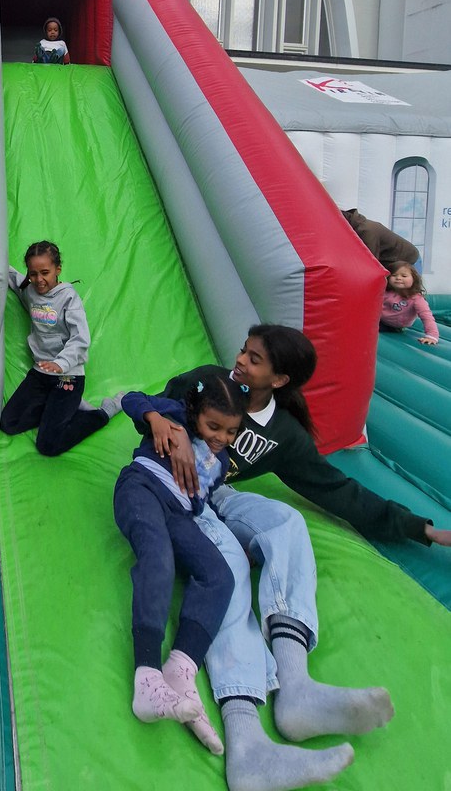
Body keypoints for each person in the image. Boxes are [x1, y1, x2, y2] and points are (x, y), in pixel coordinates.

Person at [154, 324, 451, 791]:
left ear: (280, 380)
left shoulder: (284, 435)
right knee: (228, 564)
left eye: (254, 358)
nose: (240, 360)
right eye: (244, 350)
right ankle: (247, 744)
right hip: (175, 492)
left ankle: (295, 689)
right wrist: (169, 427)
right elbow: (161, 401)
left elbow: (336, 489)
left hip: (219, 494)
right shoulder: (210, 382)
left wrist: (423, 529)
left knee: (288, 523)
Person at [114, 377, 246, 753]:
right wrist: (156, 419)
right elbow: (132, 397)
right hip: (141, 488)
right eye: (214, 426)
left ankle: (182, 664)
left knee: (220, 575)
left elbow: (200, 496)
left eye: (231, 431)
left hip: (180, 514)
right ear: (196, 415)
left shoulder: (220, 461)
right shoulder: (177, 418)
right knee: (159, 557)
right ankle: (147, 676)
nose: (221, 437)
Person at [0, 240, 122, 456]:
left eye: (45, 272)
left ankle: (103, 412)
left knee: (48, 445)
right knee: (9, 423)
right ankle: (65, 407)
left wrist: (60, 363)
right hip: (41, 374)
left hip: (68, 377)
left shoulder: (68, 299)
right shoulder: (29, 289)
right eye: (33, 273)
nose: (39, 280)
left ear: (58, 269)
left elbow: (81, 338)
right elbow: (12, 277)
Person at [380, 262, 439, 344]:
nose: (398, 278)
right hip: (380, 321)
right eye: (394, 275)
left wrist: (432, 335)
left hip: (395, 327)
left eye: (404, 276)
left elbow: (426, 316)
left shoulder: (416, 298)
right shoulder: (385, 292)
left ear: (414, 279)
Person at [341, 207, 419, 267]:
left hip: (408, 261)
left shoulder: (366, 231)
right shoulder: (358, 225)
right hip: (394, 260)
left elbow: (369, 266)